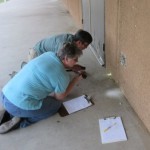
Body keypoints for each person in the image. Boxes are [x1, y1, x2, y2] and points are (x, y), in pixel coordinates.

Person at [0, 43, 84, 134]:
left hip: (5, 94)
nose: (77, 61)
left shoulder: (48, 54)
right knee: (55, 105)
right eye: (75, 59)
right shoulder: (63, 76)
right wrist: (76, 80)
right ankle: (22, 122)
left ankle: (12, 112)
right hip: (18, 105)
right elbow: (59, 97)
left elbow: (54, 68)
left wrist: (71, 67)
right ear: (66, 58)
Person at [27, 29, 93, 72]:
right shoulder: (63, 46)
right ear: (79, 42)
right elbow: (59, 63)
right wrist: (72, 67)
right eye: (86, 45)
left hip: (44, 52)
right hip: (36, 54)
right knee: (48, 74)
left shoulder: (73, 39)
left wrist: (72, 66)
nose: (86, 47)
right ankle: (26, 68)